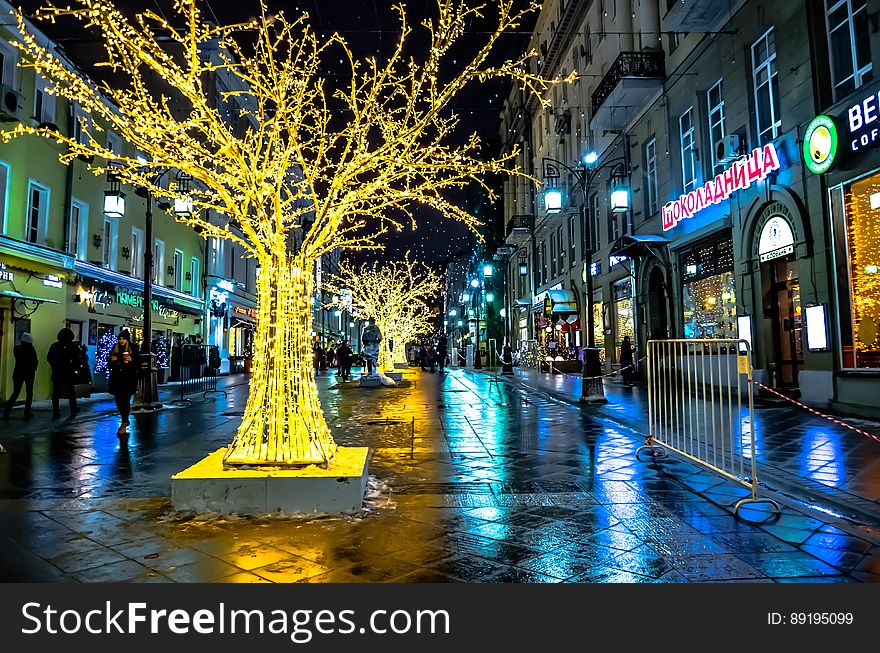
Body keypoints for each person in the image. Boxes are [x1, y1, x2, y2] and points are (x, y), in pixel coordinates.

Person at [108, 330, 140, 438]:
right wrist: (112, 361)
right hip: (117, 379)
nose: (121, 341)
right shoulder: (115, 348)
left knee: (125, 400)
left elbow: (138, 364)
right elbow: (109, 364)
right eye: (120, 339)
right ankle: (124, 419)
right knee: (118, 400)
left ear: (127, 339)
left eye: (123, 339)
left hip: (128, 379)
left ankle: (124, 422)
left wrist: (132, 360)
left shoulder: (133, 348)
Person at [3, 332, 38, 420]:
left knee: (16, 393)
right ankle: (27, 412)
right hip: (28, 373)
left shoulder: (18, 348)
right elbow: (34, 361)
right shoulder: (29, 349)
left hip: (18, 373)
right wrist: (33, 366)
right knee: (28, 393)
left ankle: (7, 412)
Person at [46, 328, 80, 419]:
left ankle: (55, 410)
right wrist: (72, 366)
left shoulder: (55, 345)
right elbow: (77, 359)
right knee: (70, 391)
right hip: (68, 372)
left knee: (56, 392)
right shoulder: (73, 346)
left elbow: (49, 357)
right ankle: (73, 408)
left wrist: (54, 365)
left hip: (57, 371)